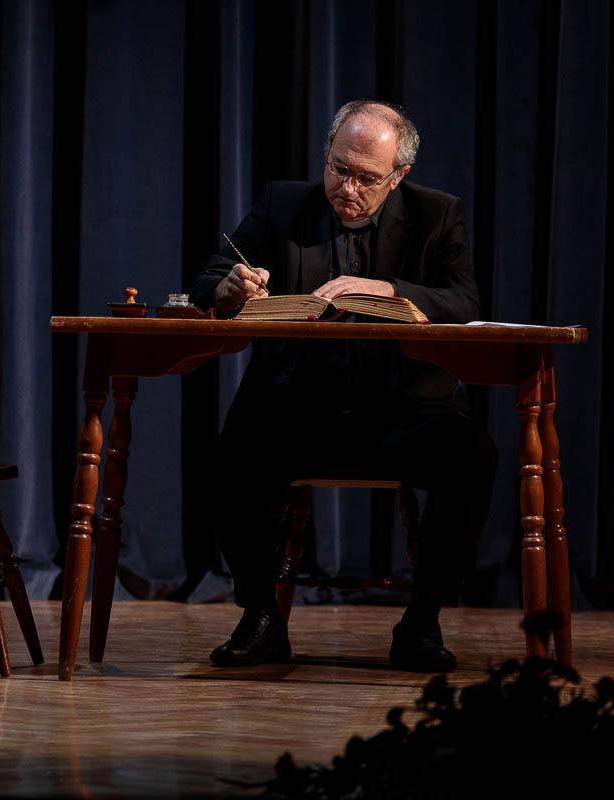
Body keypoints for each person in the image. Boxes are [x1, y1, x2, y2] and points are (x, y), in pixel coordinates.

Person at [190, 100, 496, 672]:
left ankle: (422, 623)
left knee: (473, 457)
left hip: (404, 414)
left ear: (398, 176)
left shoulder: (435, 213)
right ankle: (261, 617)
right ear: (326, 154)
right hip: (298, 411)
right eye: (338, 168)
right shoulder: (284, 203)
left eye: (366, 178)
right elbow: (209, 277)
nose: (347, 187)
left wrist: (389, 289)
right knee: (231, 453)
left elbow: (464, 302)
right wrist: (230, 288)